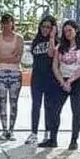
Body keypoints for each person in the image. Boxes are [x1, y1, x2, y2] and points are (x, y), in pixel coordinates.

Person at [41, 20, 80, 150]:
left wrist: (70, 81)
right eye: (65, 31)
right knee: (54, 109)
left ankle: (74, 140)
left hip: (79, 80)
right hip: (62, 80)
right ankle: (53, 139)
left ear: (76, 30)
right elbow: (55, 66)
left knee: (76, 109)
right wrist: (63, 82)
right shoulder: (60, 47)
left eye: (70, 30)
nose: (67, 33)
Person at [0, 13, 25, 142]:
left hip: (15, 72)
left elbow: (18, 58)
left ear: (12, 23)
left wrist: (2, 57)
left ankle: (12, 130)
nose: (6, 25)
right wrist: (10, 57)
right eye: (3, 23)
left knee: (14, 102)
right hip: (0, 72)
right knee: (2, 101)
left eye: (8, 22)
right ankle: (4, 130)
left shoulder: (19, 38)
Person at [27, 15, 58, 145]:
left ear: (53, 28)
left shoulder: (56, 41)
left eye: (48, 27)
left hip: (51, 78)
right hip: (37, 77)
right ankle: (34, 133)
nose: (45, 29)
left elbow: (51, 53)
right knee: (36, 105)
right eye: (43, 26)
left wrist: (52, 37)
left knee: (48, 106)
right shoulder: (36, 40)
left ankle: (47, 133)